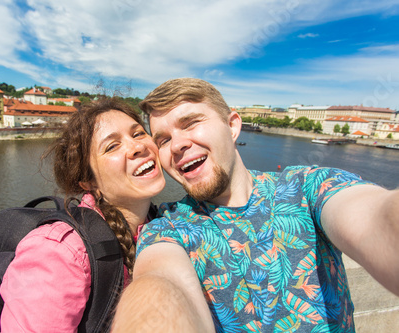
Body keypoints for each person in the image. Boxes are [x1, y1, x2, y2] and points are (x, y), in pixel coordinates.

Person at [112, 78, 399, 332]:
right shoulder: (167, 229)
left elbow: (376, 217)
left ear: (232, 126)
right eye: (162, 140)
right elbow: (160, 285)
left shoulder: (308, 188)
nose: (176, 145)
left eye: (190, 123)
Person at [0, 97, 166, 332]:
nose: (138, 147)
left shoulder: (162, 223)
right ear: (88, 182)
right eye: (112, 146)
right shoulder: (58, 252)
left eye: (138, 133)